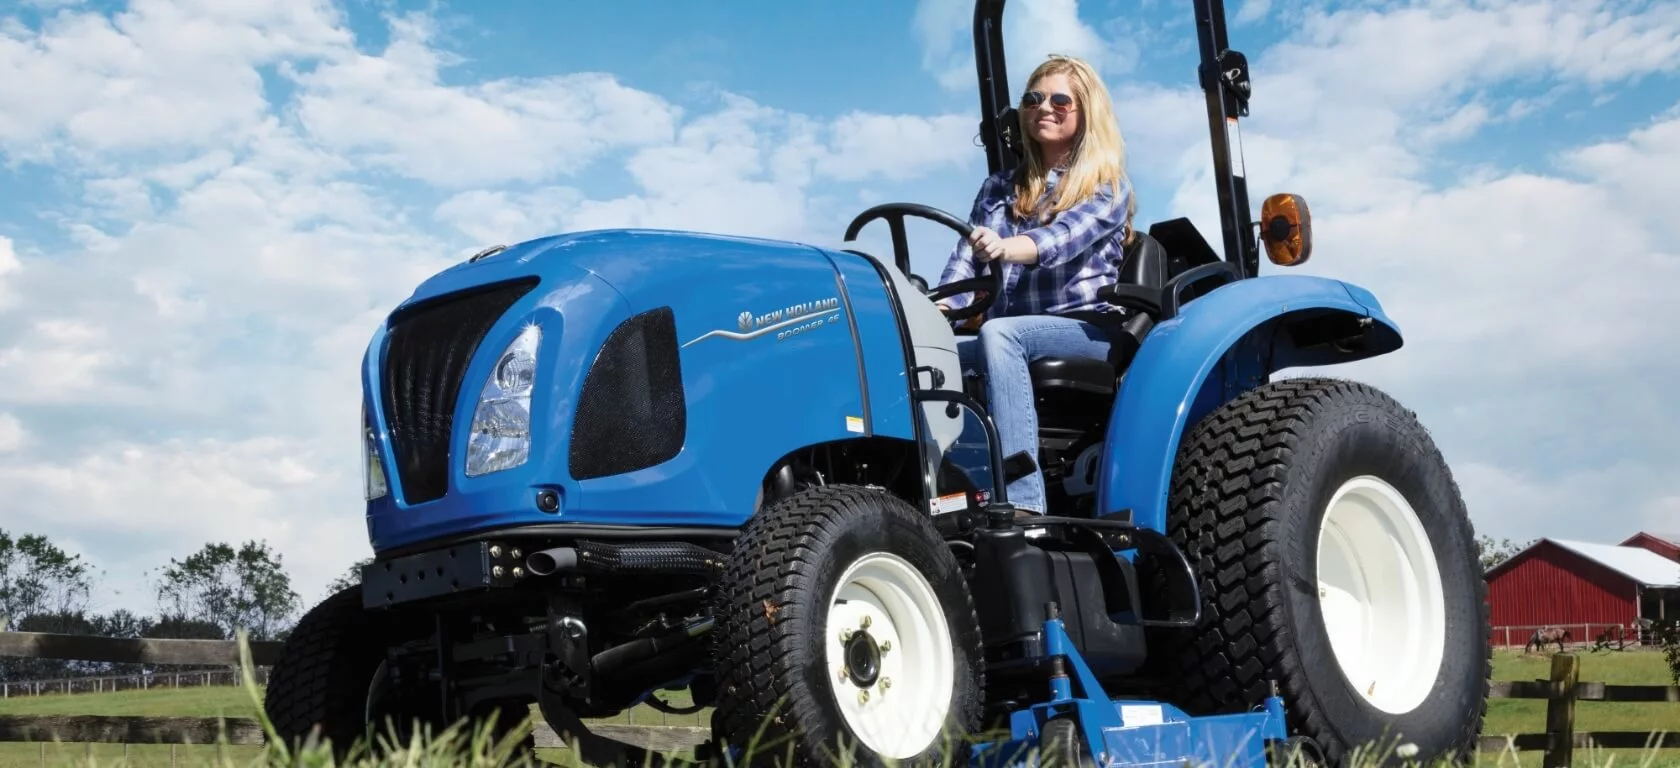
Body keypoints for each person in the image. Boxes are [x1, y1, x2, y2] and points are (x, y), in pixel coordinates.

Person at [934, 54, 1136, 516]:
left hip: (1088, 330)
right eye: (1033, 98)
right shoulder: (997, 188)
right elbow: (963, 270)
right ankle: (934, 496)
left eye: (1060, 100)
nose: (1045, 107)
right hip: (1012, 335)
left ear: (1086, 114)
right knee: (919, 358)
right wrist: (934, 318)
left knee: (999, 333)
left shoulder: (1104, 186)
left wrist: (1007, 246)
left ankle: (1023, 504)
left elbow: (1060, 241)